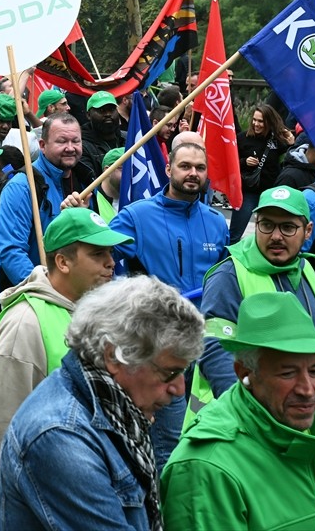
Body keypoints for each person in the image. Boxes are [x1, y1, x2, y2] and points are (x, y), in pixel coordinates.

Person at [0, 277, 204, 531]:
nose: (179, 389)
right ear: (114, 357)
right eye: (169, 373)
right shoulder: (61, 436)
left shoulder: (116, 404)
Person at [0, 208, 130, 528]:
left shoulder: (94, 312)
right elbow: (1, 423)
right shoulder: (25, 325)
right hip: (43, 500)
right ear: (63, 262)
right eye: (98, 254)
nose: (111, 262)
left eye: (110, 253)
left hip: (90, 486)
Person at [161, 291, 315, 531]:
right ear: (244, 373)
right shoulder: (206, 468)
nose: (308, 390)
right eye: (287, 373)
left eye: (314, 371)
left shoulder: (311, 424)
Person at [107, 140, 229, 467]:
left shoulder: (217, 222)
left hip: (205, 347)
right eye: (185, 166)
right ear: (169, 169)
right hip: (160, 347)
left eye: (199, 168)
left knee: (200, 436)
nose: (192, 173)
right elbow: (98, 257)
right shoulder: (137, 216)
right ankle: (160, 497)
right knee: (169, 444)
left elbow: (226, 279)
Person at [0, 113, 89, 295]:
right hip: (33, 297)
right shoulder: (22, 186)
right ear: (43, 145)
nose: (70, 148)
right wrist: (44, 292)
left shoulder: (86, 181)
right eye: (62, 141)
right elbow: (12, 251)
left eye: (76, 141)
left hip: (73, 295)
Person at [229, 104, 295, 240]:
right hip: (249, 192)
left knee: (268, 235)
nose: (256, 124)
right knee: (235, 235)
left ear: (269, 122)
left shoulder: (277, 139)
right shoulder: (242, 138)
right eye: (254, 120)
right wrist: (244, 162)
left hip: (271, 194)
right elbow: (231, 162)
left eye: (260, 121)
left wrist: (291, 143)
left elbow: (292, 158)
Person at [80, 92, 125, 177]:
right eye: (101, 110)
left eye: (112, 109)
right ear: (88, 115)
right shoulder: (82, 146)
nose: (108, 114)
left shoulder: (129, 138)